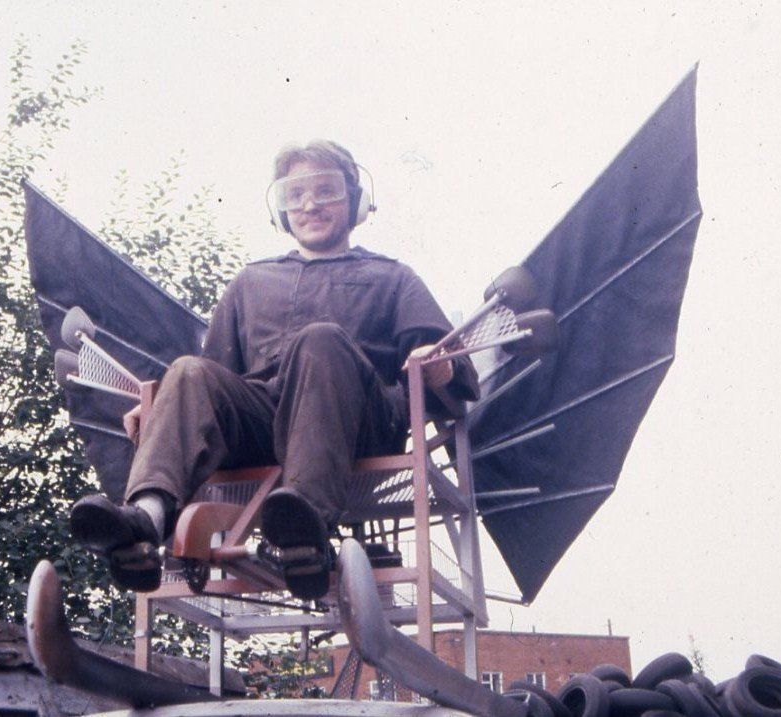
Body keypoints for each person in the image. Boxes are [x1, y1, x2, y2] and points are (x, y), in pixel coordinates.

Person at [69, 140, 478, 599]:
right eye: (295, 195)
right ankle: (145, 521)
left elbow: (452, 364)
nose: (309, 205)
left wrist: (439, 365)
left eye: (325, 191)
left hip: (356, 429)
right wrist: (166, 406)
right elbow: (210, 379)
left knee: (320, 339)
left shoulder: (392, 277)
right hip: (263, 429)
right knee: (185, 371)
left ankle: (304, 522)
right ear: (281, 210)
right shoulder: (251, 282)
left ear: (355, 201)